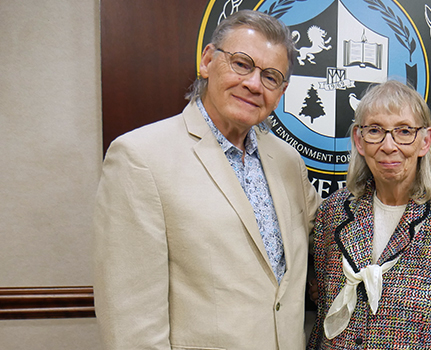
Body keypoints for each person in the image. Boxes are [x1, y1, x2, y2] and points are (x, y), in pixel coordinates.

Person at [93, 10, 320, 349]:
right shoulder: (140, 158)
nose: (254, 84)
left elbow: (329, 243)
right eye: (242, 64)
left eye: (271, 77)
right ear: (208, 61)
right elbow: (131, 324)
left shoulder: (287, 161)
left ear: (282, 90)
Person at [308, 80, 431, 349]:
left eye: (404, 131)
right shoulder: (331, 214)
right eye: (375, 130)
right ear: (359, 140)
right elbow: (322, 322)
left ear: (424, 141)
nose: (389, 146)